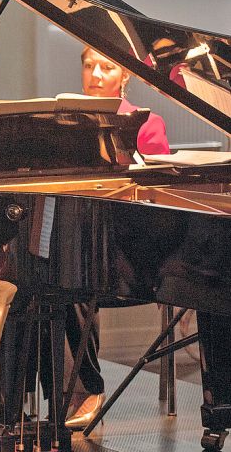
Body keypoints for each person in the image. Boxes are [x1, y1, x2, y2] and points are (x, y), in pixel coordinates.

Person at [63, 46, 172, 430]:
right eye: (89, 65)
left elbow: (155, 196)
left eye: (106, 67)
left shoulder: (146, 123)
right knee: (36, 283)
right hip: (80, 236)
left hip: (131, 243)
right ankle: (43, 397)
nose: (95, 74)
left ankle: (85, 390)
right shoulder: (62, 120)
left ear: (123, 76)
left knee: (74, 283)